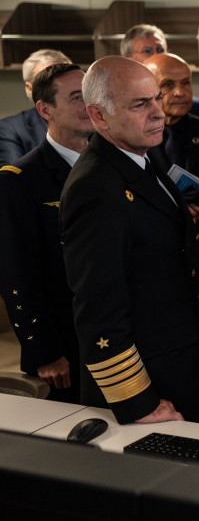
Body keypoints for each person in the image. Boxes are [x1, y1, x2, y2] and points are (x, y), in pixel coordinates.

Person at [61, 56, 199, 424]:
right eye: (140, 104)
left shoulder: (139, 158)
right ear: (99, 116)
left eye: (155, 98)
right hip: (152, 386)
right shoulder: (96, 186)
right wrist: (137, 402)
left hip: (184, 367)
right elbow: (98, 309)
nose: (159, 112)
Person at [0, 64, 91, 404]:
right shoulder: (19, 180)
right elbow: (17, 275)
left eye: (92, 96)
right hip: (64, 339)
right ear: (45, 109)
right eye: (77, 98)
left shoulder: (113, 167)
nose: (89, 106)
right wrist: (44, 350)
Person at [144, 53, 199, 312]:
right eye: (168, 85)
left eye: (186, 83)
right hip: (156, 259)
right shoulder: (134, 137)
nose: (180, 92)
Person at [0, 49, 71, 165]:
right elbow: (13, 179)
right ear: (30, 88)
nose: (60, 90)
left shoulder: (93, 122)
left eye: (67, 82)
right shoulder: (10, 130)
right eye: (49, 83)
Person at [122, 24, 199, 118]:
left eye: (160, 50)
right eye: (148, 50)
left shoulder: (193, 106)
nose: (157, 55)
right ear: (128, 59)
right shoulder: (121, 106)